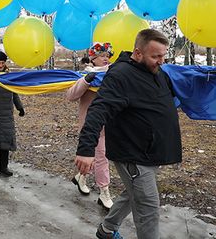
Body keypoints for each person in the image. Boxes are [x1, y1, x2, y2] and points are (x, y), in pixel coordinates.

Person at [75, 29, 181, 239]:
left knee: (134, 192)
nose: (161, 61)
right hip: (133, 153)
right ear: (138, 53)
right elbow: (98, 110)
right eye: (156, 56)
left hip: (151, 150)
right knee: (148, 205)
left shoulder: (155, 71)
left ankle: (107, 229)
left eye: (164, 55)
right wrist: (86, 149)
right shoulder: (121, 75)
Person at [66, 42, 114, 209]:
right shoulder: (86, 76)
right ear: (93, 59)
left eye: (107, 56)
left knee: (94, 158)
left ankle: (81, 177)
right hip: (91, 127)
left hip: (110, 124)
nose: (106, 59)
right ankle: (104, 191)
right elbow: (71, 96)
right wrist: (85, 81)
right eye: (102, 56)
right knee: (102, 158)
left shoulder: (113, 76)